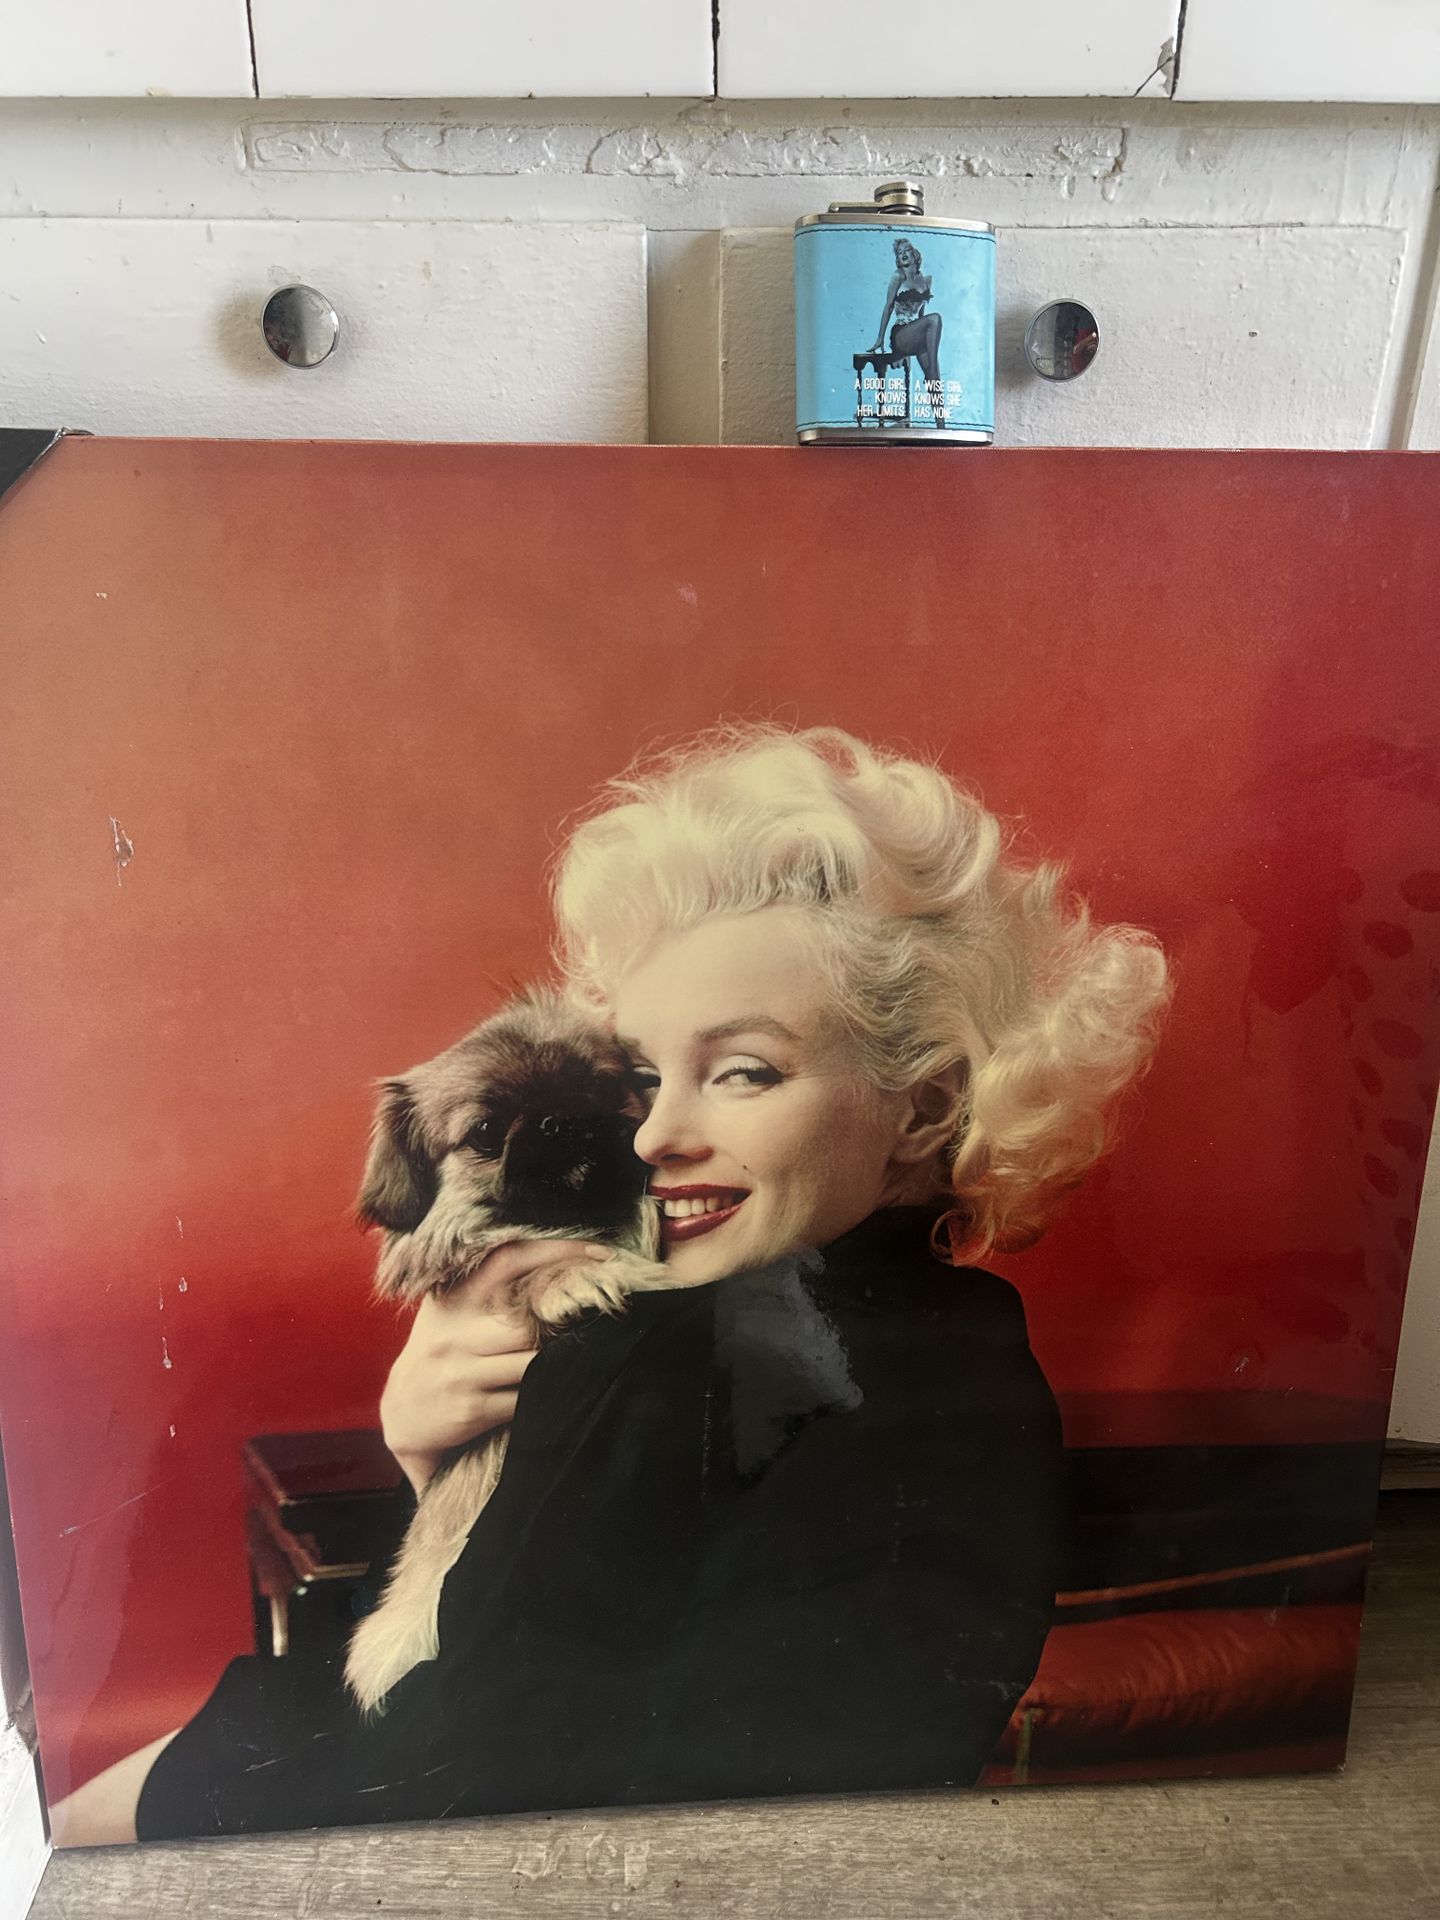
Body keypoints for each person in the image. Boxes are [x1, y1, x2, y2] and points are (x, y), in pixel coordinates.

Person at [53, 726, 1168, 1842]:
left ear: (923, 1106)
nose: (651, 1136)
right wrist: (433, 1457)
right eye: (642, 1077)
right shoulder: (950, 1339)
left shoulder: (671, 1349)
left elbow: (479, 1767)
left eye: (743, 1072)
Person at [870, 238, 947, 427]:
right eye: (899, 252)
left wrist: (924, 333)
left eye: (906, 250)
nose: (903, 254)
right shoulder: (898, 276)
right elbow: (888, 307)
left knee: (933, 374)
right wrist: (880, 338)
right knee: (935, 319)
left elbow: (921, 315)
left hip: (916, 334)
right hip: (901, 334)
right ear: (898, 259)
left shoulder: (926, 281)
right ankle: (933, 371)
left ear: (914, 254)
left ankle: (941, 424)